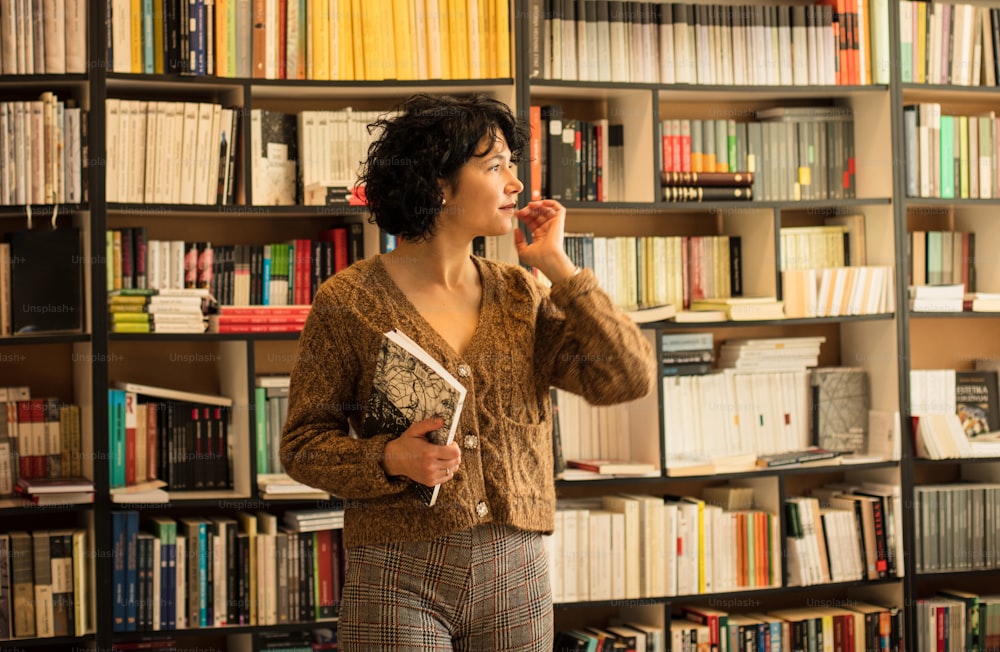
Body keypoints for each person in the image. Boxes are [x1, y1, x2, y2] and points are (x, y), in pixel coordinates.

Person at [280, 93, 654, 651]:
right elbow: (302, 445)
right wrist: (389, 457)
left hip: (515, 572)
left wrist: (559, 267)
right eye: (495, 165)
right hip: (395, 574)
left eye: (512, 166)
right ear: (439, 185)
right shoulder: (348, 302)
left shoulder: (519, 293)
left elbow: (626, 376)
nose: (516, 184)